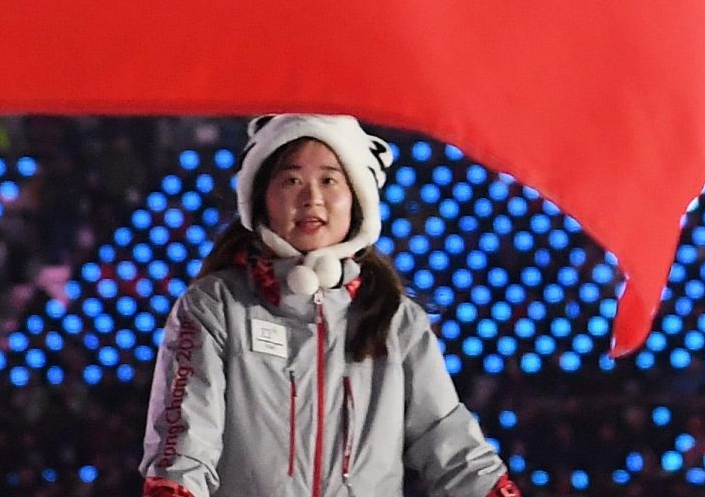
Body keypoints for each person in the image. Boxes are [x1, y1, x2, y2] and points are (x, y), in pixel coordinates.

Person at [141, 114, 517, 497]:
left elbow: (447, 439)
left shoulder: (397, 319)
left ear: (357, 198)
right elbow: (186, 440)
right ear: (261, 197)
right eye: (292, 180)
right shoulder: (216, 305)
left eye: (329, 179)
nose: (311, 197)